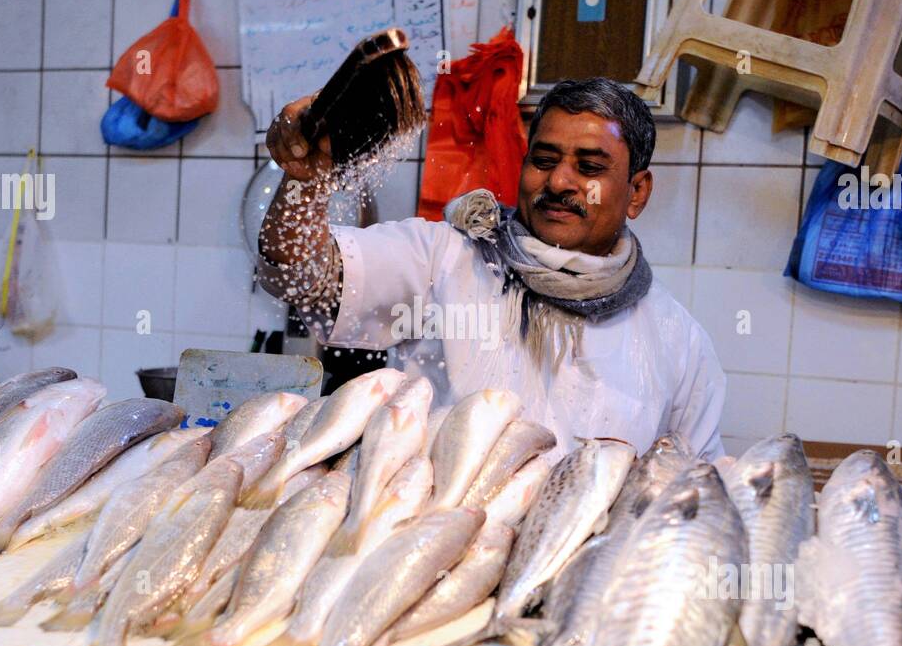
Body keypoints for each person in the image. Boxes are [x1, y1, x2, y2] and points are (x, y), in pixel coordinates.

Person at [255, 76, 726, 459]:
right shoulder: (443, 257)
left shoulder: (678, 342)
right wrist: (305, 182)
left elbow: (691, 490)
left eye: (589, 168)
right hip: (426, 551)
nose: (559, 181)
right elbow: (302, 275)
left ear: (638, 192)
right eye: (543, 160)